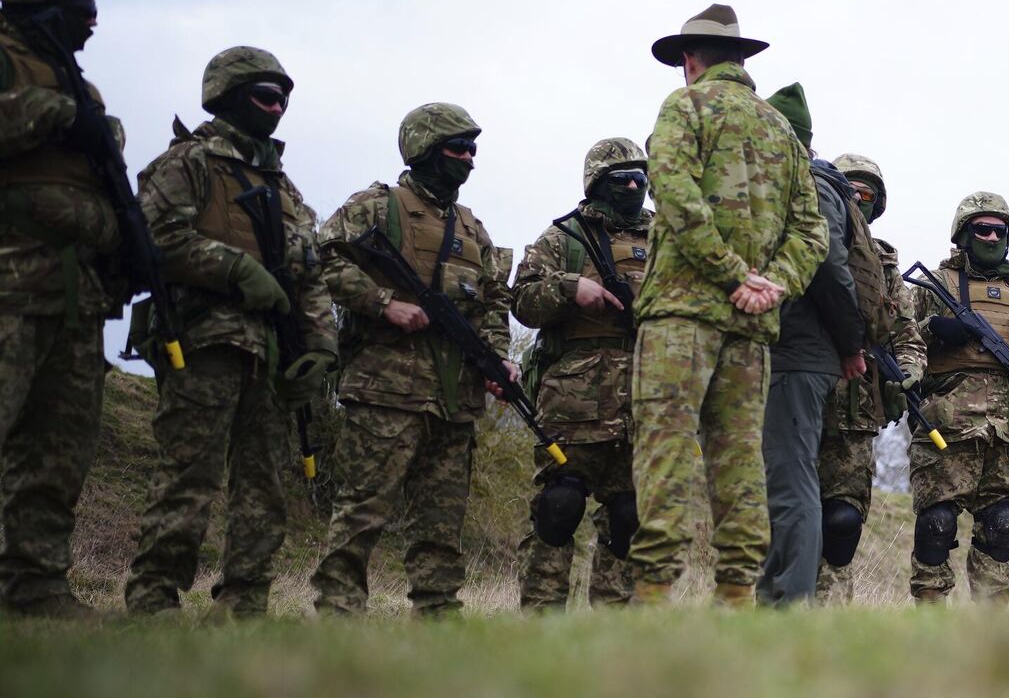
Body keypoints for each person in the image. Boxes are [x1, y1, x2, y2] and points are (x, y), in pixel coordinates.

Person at [124, 47, 336, 615]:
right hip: (204, 344)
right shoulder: (188, 162)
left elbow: (309, 274)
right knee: (186, 477)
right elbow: (153, 237)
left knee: (264, 488)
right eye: (267, 95)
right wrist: (235, 268)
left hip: (271, 357)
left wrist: (319, 348)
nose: (279, 106)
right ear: (228, 94)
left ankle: (243, 606)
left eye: (284, 97)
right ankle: (153, 602)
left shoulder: (284, 188)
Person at [627, 5, 826, 605]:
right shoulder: (783, 132)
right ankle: (736, 601)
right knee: (740, 463)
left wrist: (730, 272)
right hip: (752, 324)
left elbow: (674, 194)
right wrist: (770, 284)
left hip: (681, 315)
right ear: (741, 61)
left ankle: (653, 599)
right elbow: (811, 231)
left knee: (665, 450)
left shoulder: (683, 107)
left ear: (690, 61)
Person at [308, 102, 514, 615]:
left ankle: (439, 614)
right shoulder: (378, 207)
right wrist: (383, 304)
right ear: (424, 148)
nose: (469, 159)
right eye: (458, 148)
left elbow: (494, 302)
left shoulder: (472, 229)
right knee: (362, 510)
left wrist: (499, 359)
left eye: (473, 150)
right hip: (386, 391)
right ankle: (339, 611)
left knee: (442, 522)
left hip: (455, 400)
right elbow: (320, 259)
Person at [0, 0, 121, 619]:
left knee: (57, 451)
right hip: (9, 280)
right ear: (37, 1)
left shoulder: (83, 87)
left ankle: (36, 585)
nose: (93, 21)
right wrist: (60, 114)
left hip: (76, 296)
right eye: (81, 6)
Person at [897, 192, 1009, 604]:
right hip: (946, 424)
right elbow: (899, 338)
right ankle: (930, 614)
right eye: (982, 229)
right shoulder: (934, 286)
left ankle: (991, 627)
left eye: (999, 230)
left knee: (1001, 523)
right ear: (963, 235)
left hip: (1008, 431)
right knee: (937, 522)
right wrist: (934, 328)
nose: (991, 237)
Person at [510, 137, 653, 610]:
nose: (634, 186)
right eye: (622, 179)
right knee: (559, 507)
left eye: (640, 178)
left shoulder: (666, 240)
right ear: (597, 185)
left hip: (644, 403)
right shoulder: (564, 239)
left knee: (629, 516)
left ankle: (614, 628)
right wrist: (572, 288)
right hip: (572, 404)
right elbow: (522, 302)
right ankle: (541, 619)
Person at [756, 83, 864, 607]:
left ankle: (787, 604)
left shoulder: (810, 187)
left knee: (794, 483)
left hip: (799, 353)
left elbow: (829, 268)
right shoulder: (794, 183)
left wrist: (850, 343)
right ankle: (770, 597)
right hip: (789, 352)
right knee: (777, 479)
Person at [815, 153, 923, 604]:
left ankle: (832, 619)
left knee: (842, 524)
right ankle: (774, 619)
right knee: (781, 519)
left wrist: (907, 378)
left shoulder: (886, 268)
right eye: (850, 192)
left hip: (856, 414)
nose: (858, 201)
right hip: (797, 400)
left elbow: (908, 337)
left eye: (867, 194)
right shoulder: (801, 242)